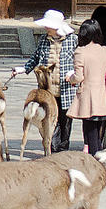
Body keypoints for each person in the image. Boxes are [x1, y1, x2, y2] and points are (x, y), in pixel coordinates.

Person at [12, 9, 78, 153]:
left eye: (49, 26)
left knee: (65, 120)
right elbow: (36, 57)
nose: (46, 28)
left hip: (66, 88)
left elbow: (78, 59)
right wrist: (23, 69)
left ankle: (63, 149)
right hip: (47, 89)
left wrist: (75, 72)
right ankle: (52, 149)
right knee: (49, 120)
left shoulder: (73, 40)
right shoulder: (43, 39)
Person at [67, 19, 106, 156]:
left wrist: (70, 78)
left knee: (90, 131)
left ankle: (95, 159)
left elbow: (79, 77)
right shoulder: (104, 50)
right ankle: (96, 155)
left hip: (87, 95)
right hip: (102, 95)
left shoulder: (80, 51)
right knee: (98, 129)